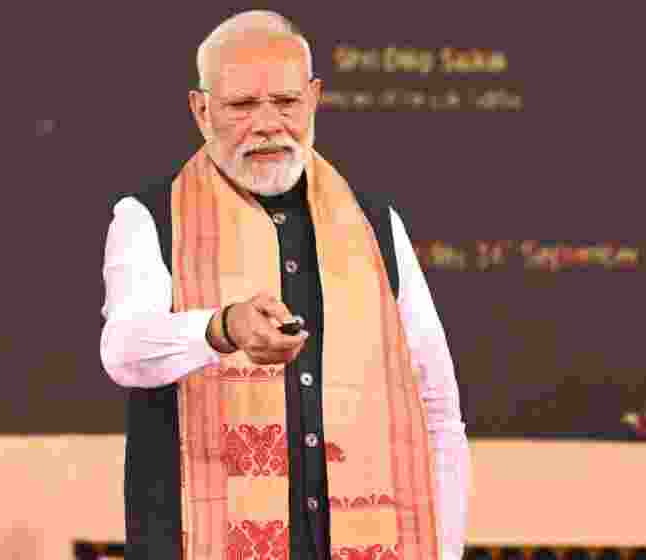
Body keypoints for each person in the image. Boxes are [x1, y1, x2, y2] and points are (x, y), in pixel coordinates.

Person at [100, 11, 470, 560]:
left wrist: (445, 550)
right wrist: (219, 328)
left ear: (314, 98)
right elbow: (124, 351)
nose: (268, 124)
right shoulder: (149, 216)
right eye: (243, 106)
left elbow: (437, 407)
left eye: (287, 102)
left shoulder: (374, 223)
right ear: (201, 110)